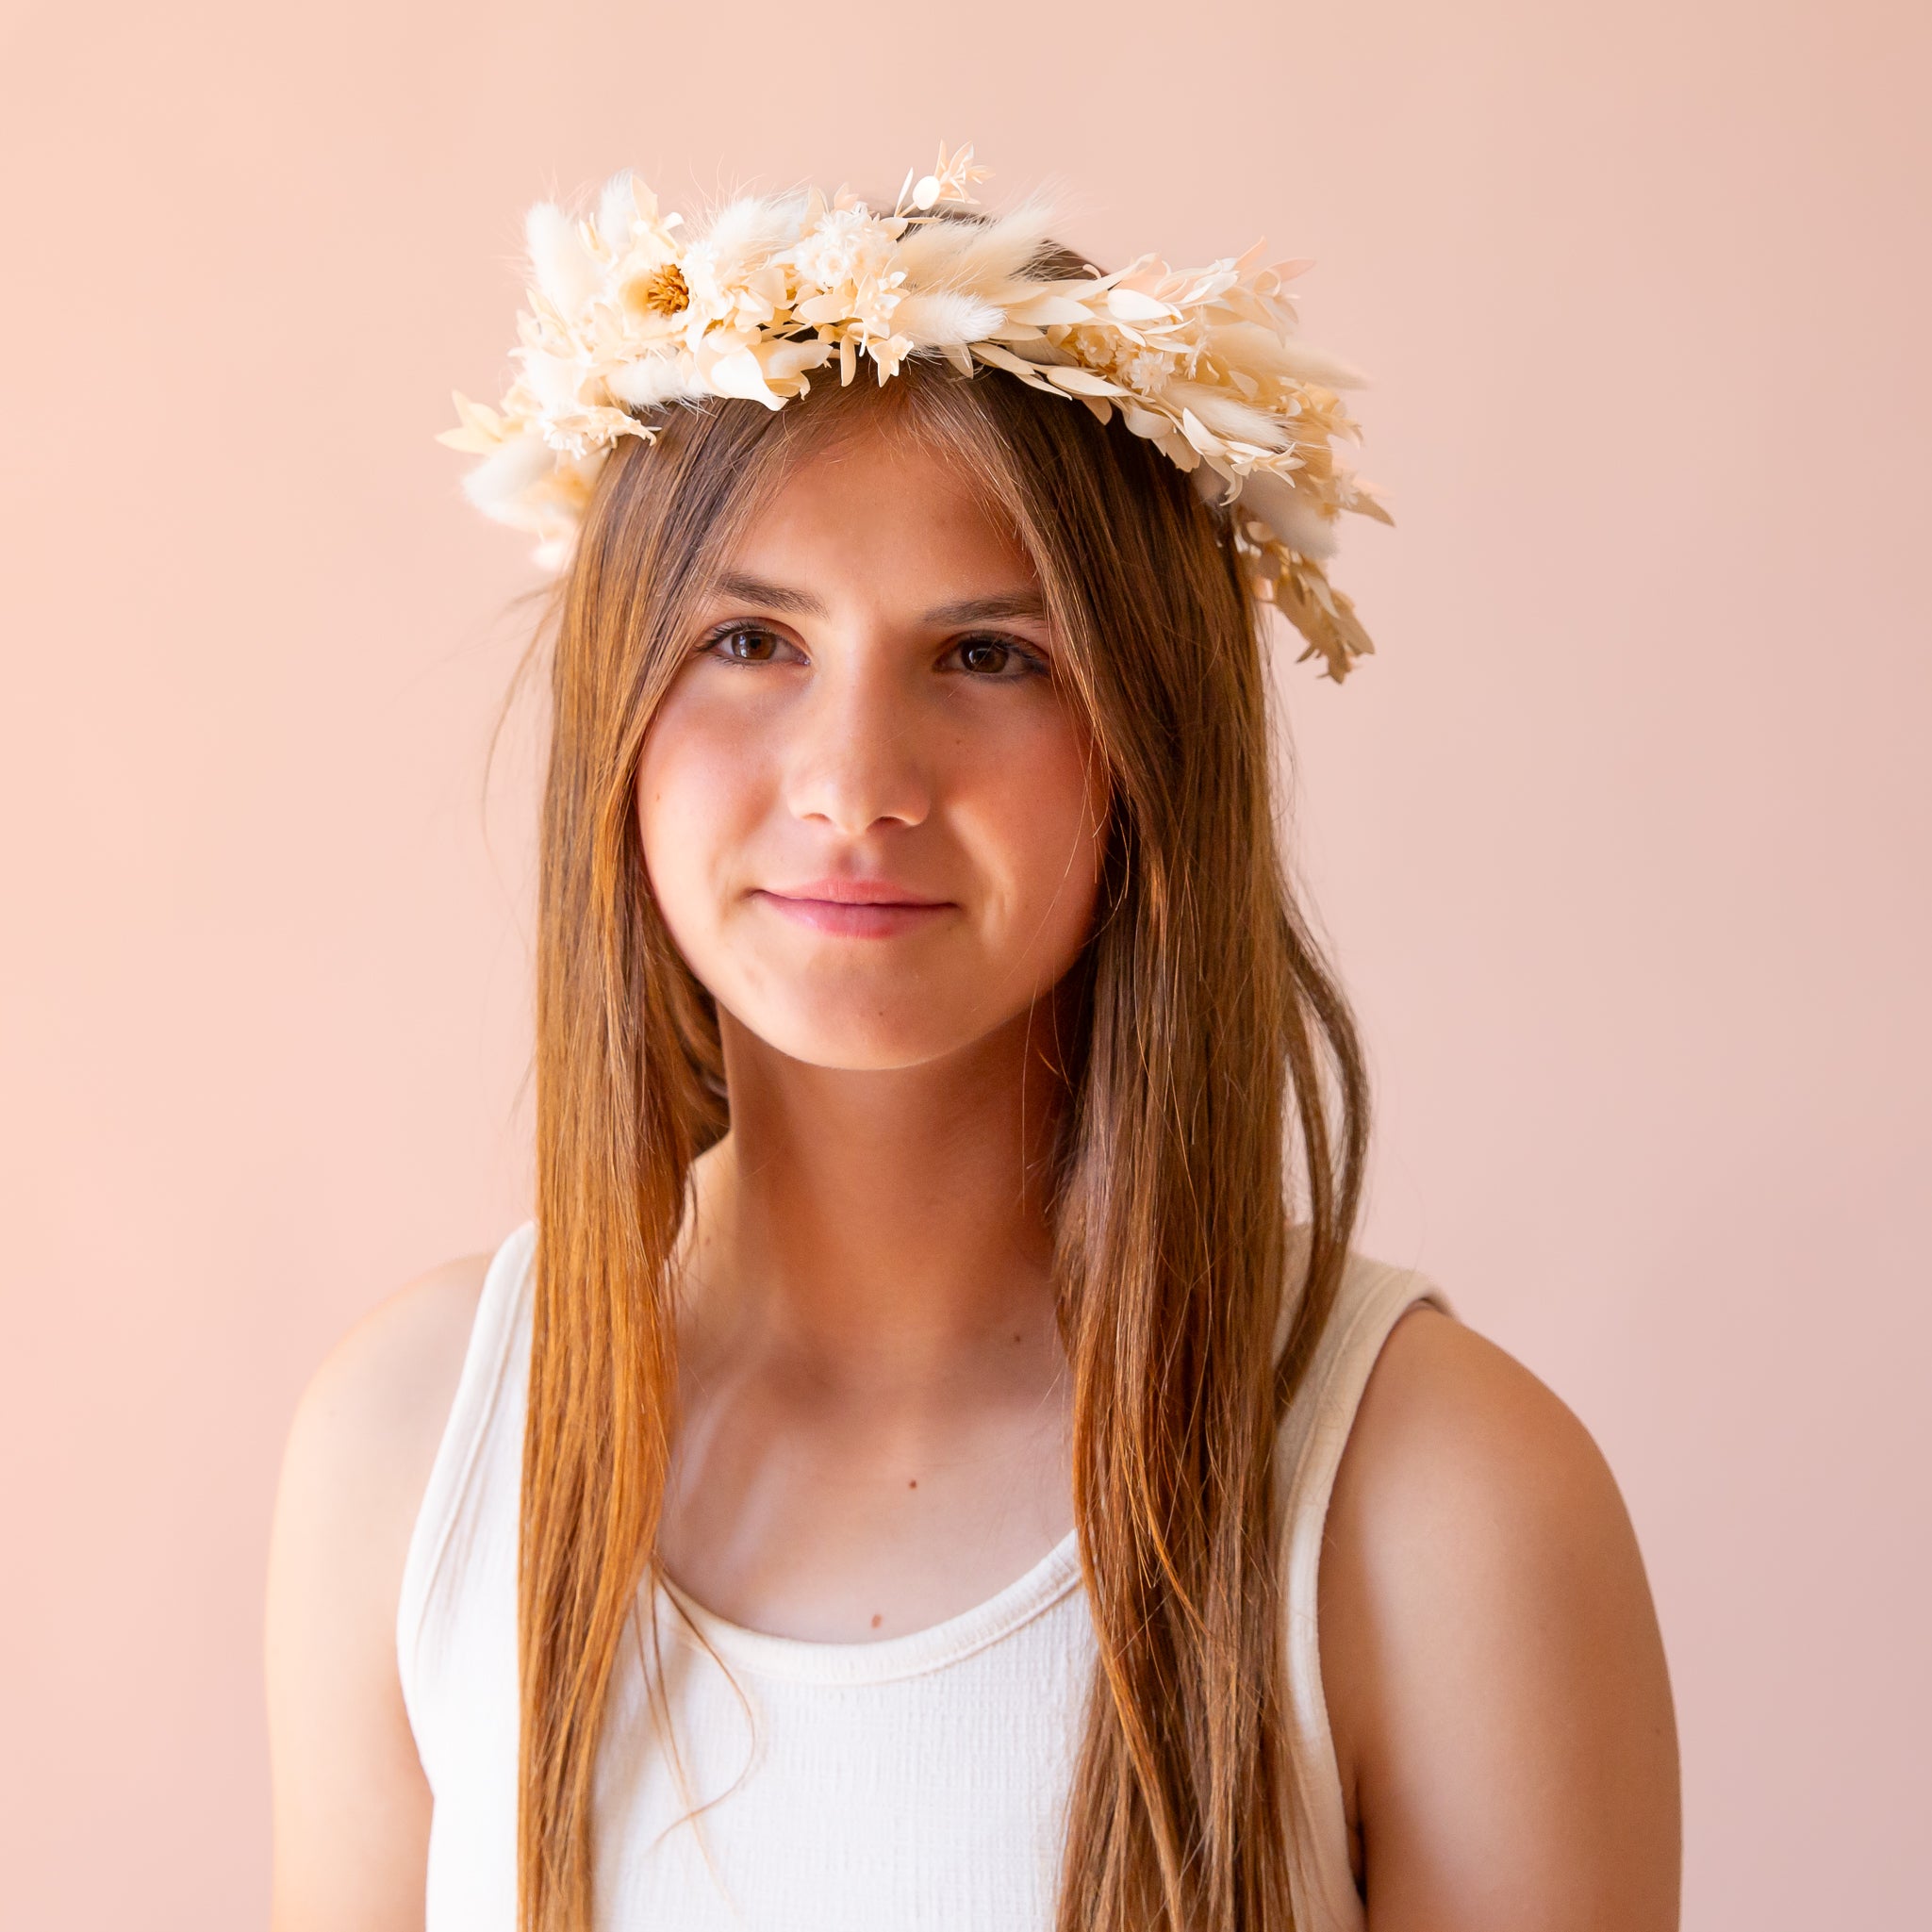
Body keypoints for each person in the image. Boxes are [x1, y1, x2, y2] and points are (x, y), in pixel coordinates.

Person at [264, 148, 1680, 1932]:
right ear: (616, 719)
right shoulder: (415, 1452)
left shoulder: (1438, 1501)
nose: (857, 781)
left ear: (1148, 742)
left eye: (992, 655)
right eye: (751, 638)